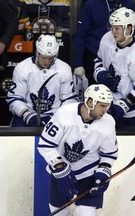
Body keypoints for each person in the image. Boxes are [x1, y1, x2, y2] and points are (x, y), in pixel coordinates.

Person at [38, 84, 118, 215]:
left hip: (89, 172)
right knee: (59, 212)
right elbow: (46, 145)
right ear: (90, 102)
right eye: (102, 106)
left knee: (87, 213)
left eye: (108, 106)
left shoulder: (108, 123)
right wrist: (59, 167)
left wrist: (104, 170)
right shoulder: (64, 114)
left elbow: (109, 154)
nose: (105, 110)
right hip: (63, 171)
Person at [94, 7, 135, 128]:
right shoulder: (106, 38)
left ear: (129, 29)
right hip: (109, 106)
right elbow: (98, 60)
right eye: (112, 27)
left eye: (117, 28)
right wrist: (99, 73)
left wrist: (124, 104)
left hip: (134, 112)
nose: (112, 32)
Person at [6, 34, 78, 127]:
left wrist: (56, 116)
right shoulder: (22, 68)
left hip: (56, 116)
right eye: (44, 57)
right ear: (37, 52)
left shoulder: (64, 69)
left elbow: (69, 99)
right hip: (27, 114)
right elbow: (15, 99)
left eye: (50, 58)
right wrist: (27, 115)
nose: (46, 62)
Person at [73, 0, 135, 86]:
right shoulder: (90, 4)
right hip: (94, 58)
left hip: (123, 58)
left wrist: (123, 47)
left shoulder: (129, 3)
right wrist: (78, 63)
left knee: (120, 90)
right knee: (96, 93)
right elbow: (81, 34)